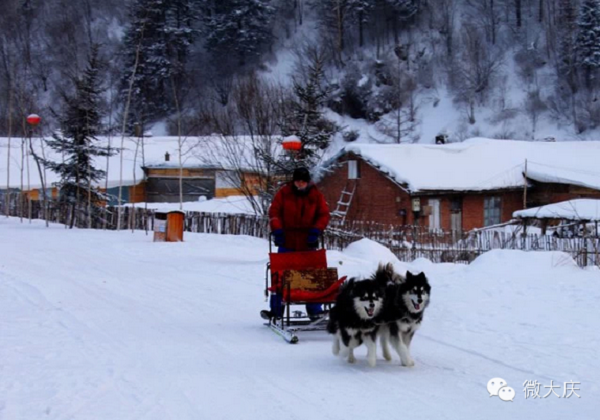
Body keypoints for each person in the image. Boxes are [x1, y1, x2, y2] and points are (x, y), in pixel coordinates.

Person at [261, 167, 331, 320]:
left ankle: (314, 309)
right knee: (280, 275)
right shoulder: (284, 193)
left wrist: (316, 230)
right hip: (287, 241)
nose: (300, 184)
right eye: (298, 181)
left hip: (308, 242)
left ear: (307, 182)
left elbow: (324, 214)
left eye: (303, 181)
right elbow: (274, 212)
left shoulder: (316, 195)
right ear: (293, 181)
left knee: (312, 275)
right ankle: (277, 310)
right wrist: (277, 230)